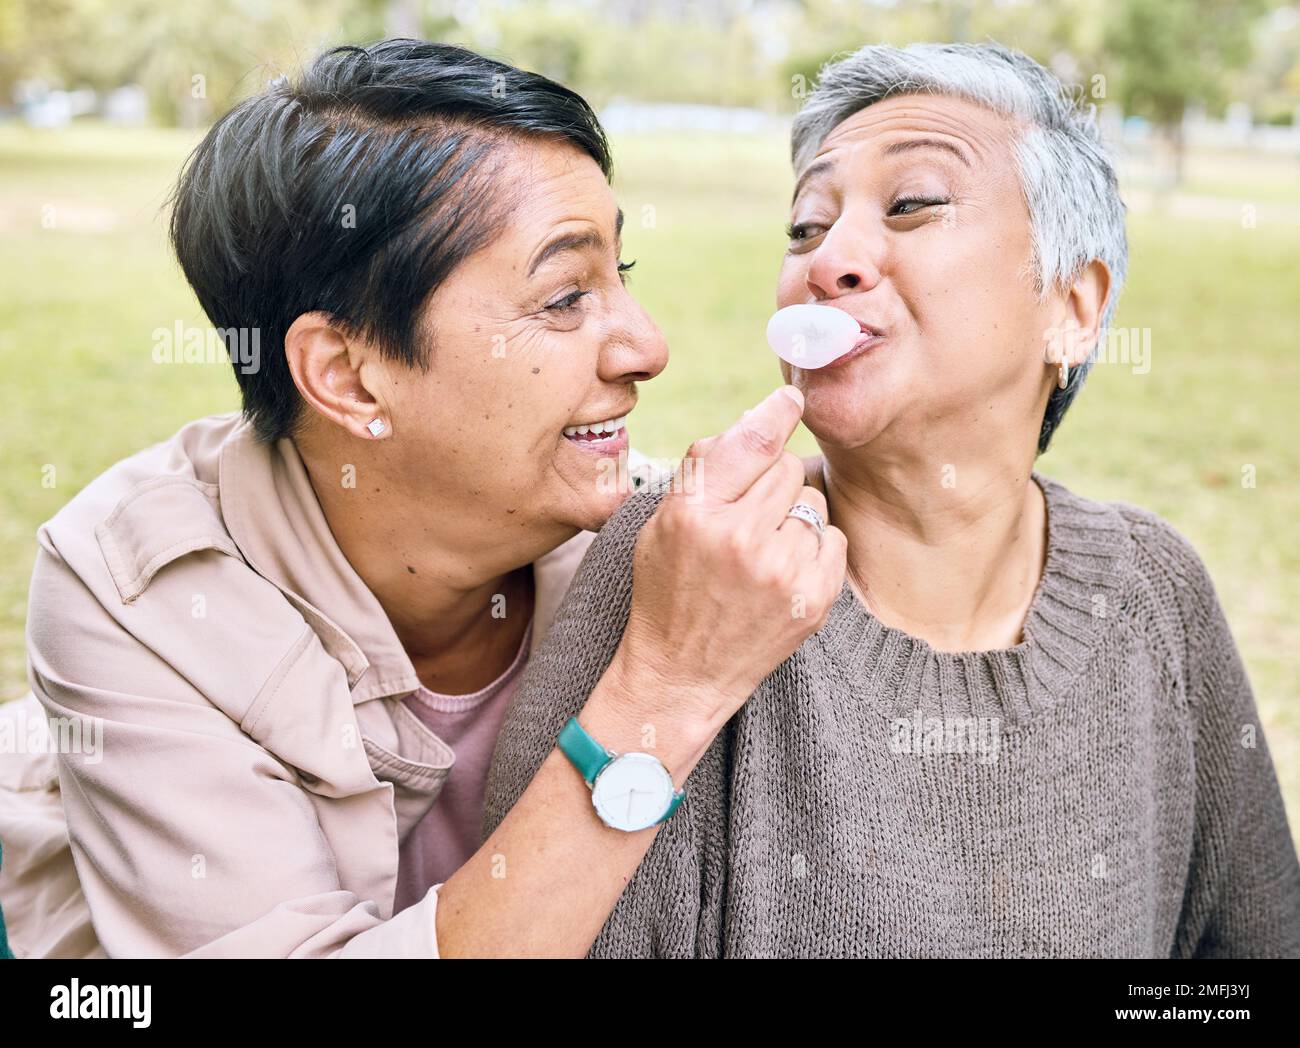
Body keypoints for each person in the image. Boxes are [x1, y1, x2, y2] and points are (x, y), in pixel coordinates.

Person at [0, 38, 846, 958]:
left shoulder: (659, 540)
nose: (646, 348)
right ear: (350, 377)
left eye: (621, 275)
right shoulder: (132, 592)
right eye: (565, 296)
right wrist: (666, 692)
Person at [481, 41, 1300, 958]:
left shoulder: (1156, 591)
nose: (831, 259)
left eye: (912, 204)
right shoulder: (684, 554)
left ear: (1073, 306)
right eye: (805, 228)